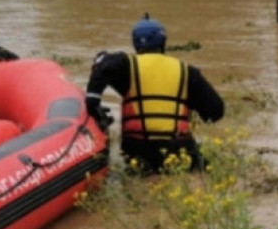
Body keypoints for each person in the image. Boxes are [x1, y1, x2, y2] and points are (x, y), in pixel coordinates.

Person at [85, 15, 224, 173]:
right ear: (163, 42)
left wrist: (93, 103)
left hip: (138, 149)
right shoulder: (188, 72)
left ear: (135, 43)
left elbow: (103, 68)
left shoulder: (125, 66)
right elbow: (216, 112)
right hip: (178, 149)